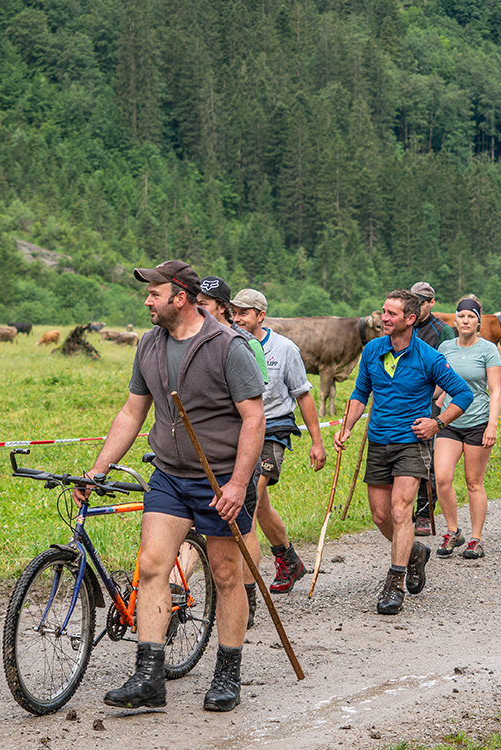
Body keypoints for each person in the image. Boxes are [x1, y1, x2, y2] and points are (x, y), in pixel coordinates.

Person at [89, 260, 265, 712]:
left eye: (154, 293)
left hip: (220, 478)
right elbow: (132, 413)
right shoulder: (148, 344)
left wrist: (237, 484)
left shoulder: (229, 346)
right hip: (169, 475)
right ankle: (149, 677)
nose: (146, 301)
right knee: (151, 567)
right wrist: (99, 469)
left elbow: (254, 418)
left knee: (227, 576)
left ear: (179, 297)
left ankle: (228, 674)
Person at [334, 290, 473, 615]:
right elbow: (360, 393)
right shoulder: (372, 350)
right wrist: (347, 427)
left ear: (410, 319)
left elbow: (463, 394)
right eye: (383, 311)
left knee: (400, 512)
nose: (384, 318)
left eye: (392, 314)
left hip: (412, 444)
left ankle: (394, 585)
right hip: (378, 442)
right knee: (381, 516)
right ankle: (414, 553)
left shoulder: (429, 357)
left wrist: (437, 423)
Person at [231, 288, 328, 625]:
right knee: (262, 503)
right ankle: (288, 557)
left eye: (244, 313)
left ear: (261, 315)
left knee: (248, 502)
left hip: (274, 428)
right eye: (234, 312)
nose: (237, 318)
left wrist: (317, 442)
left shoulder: (285, 349)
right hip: (241, 429)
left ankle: (245, 593)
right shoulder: (229, 343)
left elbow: (303, 395)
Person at [433, 295, 501, 560]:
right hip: (449, 421)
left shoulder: (488, 349)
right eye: (461, 315)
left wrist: (492, 425)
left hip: (477, 422)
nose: (465, 320)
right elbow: (437, 384)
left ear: (478, 321)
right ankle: (452, 532)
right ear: (455, 319)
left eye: (471, 316)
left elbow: (494, 391)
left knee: (473, 482)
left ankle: (476, 538)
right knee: (442, 478)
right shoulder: (446, 348)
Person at [410, 281, 456, 536]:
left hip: (431, 401)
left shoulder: (442, 331)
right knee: (401, 453)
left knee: (426, 459)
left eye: (421, 302)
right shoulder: (404, 325)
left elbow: (447, 373)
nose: (416, 306)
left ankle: (425, 513)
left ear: (431, 303)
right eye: (413, 300)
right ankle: (404, 510)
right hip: (403, 402)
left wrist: (435, 401)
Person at [197, 276, 268, 384]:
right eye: (194, 304)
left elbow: (255, 394)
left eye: (202, 304)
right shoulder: (195, 338)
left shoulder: (249, 344)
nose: (196, 309)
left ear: (222, 307)